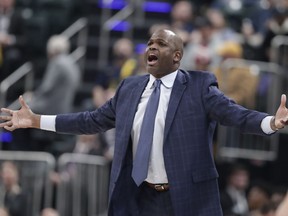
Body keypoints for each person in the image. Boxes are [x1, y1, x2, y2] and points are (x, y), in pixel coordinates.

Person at [0, 29, 288, 216]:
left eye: (161, 43)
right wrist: (36, 120)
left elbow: (235, 114)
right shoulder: (129, 88)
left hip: (187, 199)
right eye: (150, 42)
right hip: (139, 198)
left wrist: (271, 122)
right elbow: (90, 120)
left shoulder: (199, 87)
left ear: (177, 56)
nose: (151, 46)